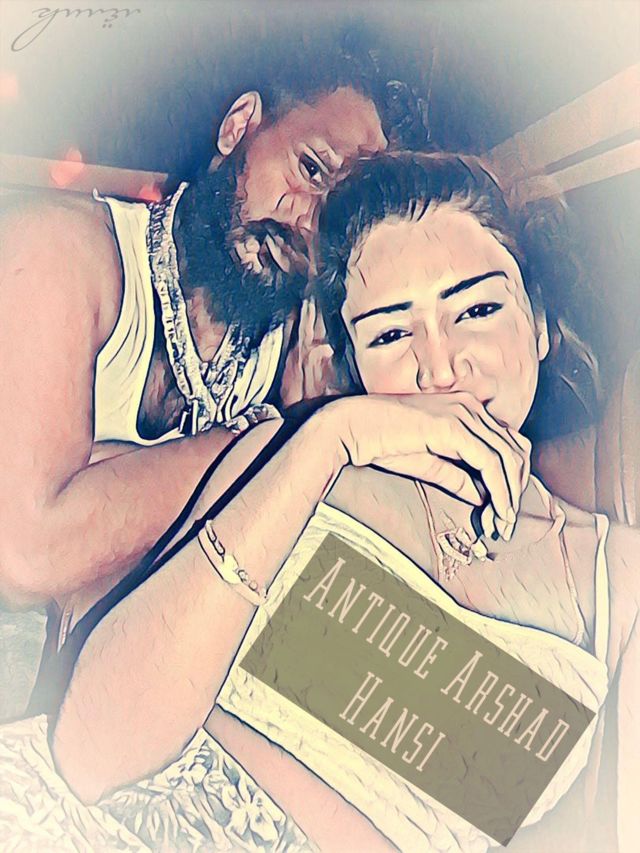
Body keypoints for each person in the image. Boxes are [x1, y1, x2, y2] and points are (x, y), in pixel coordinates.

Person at [2, 152, 637, 852]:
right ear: (352, 364)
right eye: (390, 333)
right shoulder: (288, 463)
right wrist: (331, 437)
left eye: (476, 309)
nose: (440, 365)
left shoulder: (616, 582)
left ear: (539, 325)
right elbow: (93, 751)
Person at [0, 35, 430, 631]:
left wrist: (97, 489)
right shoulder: (62, 251)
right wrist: (279, 442)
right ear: (239, 126)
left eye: (338, 216)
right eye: (310, 170)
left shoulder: (297, 350)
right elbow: (27, 556)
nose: (309, 224)